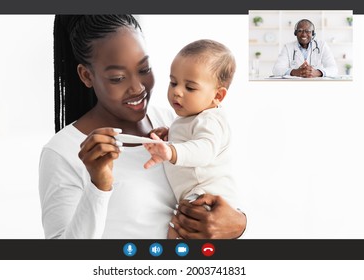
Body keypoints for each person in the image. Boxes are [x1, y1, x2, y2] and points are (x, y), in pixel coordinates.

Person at [38, 15, 247, 239]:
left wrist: (239, 224)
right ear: (86, 75)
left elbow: (217, 180)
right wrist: (98, 186)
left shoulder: (175, 120)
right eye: (118, 78)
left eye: (144, 69)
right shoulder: (62, 152)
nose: (137, 88)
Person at [143, 39, 238, 238]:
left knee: (178, 232)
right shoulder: (191, 117)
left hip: (206, 198)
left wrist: (171, 151)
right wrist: (169, 134)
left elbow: (203, 150)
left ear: (218, 96)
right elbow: (189, 135)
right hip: (194, 195)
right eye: (173, 83)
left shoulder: (211, 119)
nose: (177, 91)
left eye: (190, 88)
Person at [272, 19, 338, 78]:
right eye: (300, 31)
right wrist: (295, 72)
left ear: (313, 33)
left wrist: (317, 72)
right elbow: (276, 69)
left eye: (308, 31)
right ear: (295, 33)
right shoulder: (288, 47)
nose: (304, 34)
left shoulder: (322, 45)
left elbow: (334, 69)